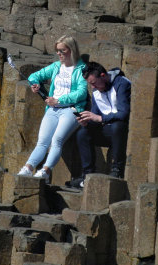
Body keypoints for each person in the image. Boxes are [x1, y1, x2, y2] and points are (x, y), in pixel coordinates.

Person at [17, 35, 88, 182]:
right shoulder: (56, 67)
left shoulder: (81, 69)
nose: (59, 54)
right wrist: (35, 84)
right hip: (53, 110)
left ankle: (46, 171)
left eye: (62, 50)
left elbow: (81, 93)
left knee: (57, 140)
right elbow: (33, 76)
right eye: (57, 50)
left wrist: (59, 100)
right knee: (42, 141)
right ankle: (28, 168)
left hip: (71, 109)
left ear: (72, 50)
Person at [67, 61, 131, 188]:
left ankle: (117, 170)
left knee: (118, 125)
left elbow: (124, 114)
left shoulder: (122, 83)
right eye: (90, 84)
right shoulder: (96, 91)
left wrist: (100, 118)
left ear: (103, 75)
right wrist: (87, 121)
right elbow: (95, 115)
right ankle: (87, 175)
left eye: (94, 83)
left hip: (123, 131)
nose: (93, 87)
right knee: (83, 133)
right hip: (107, 130)